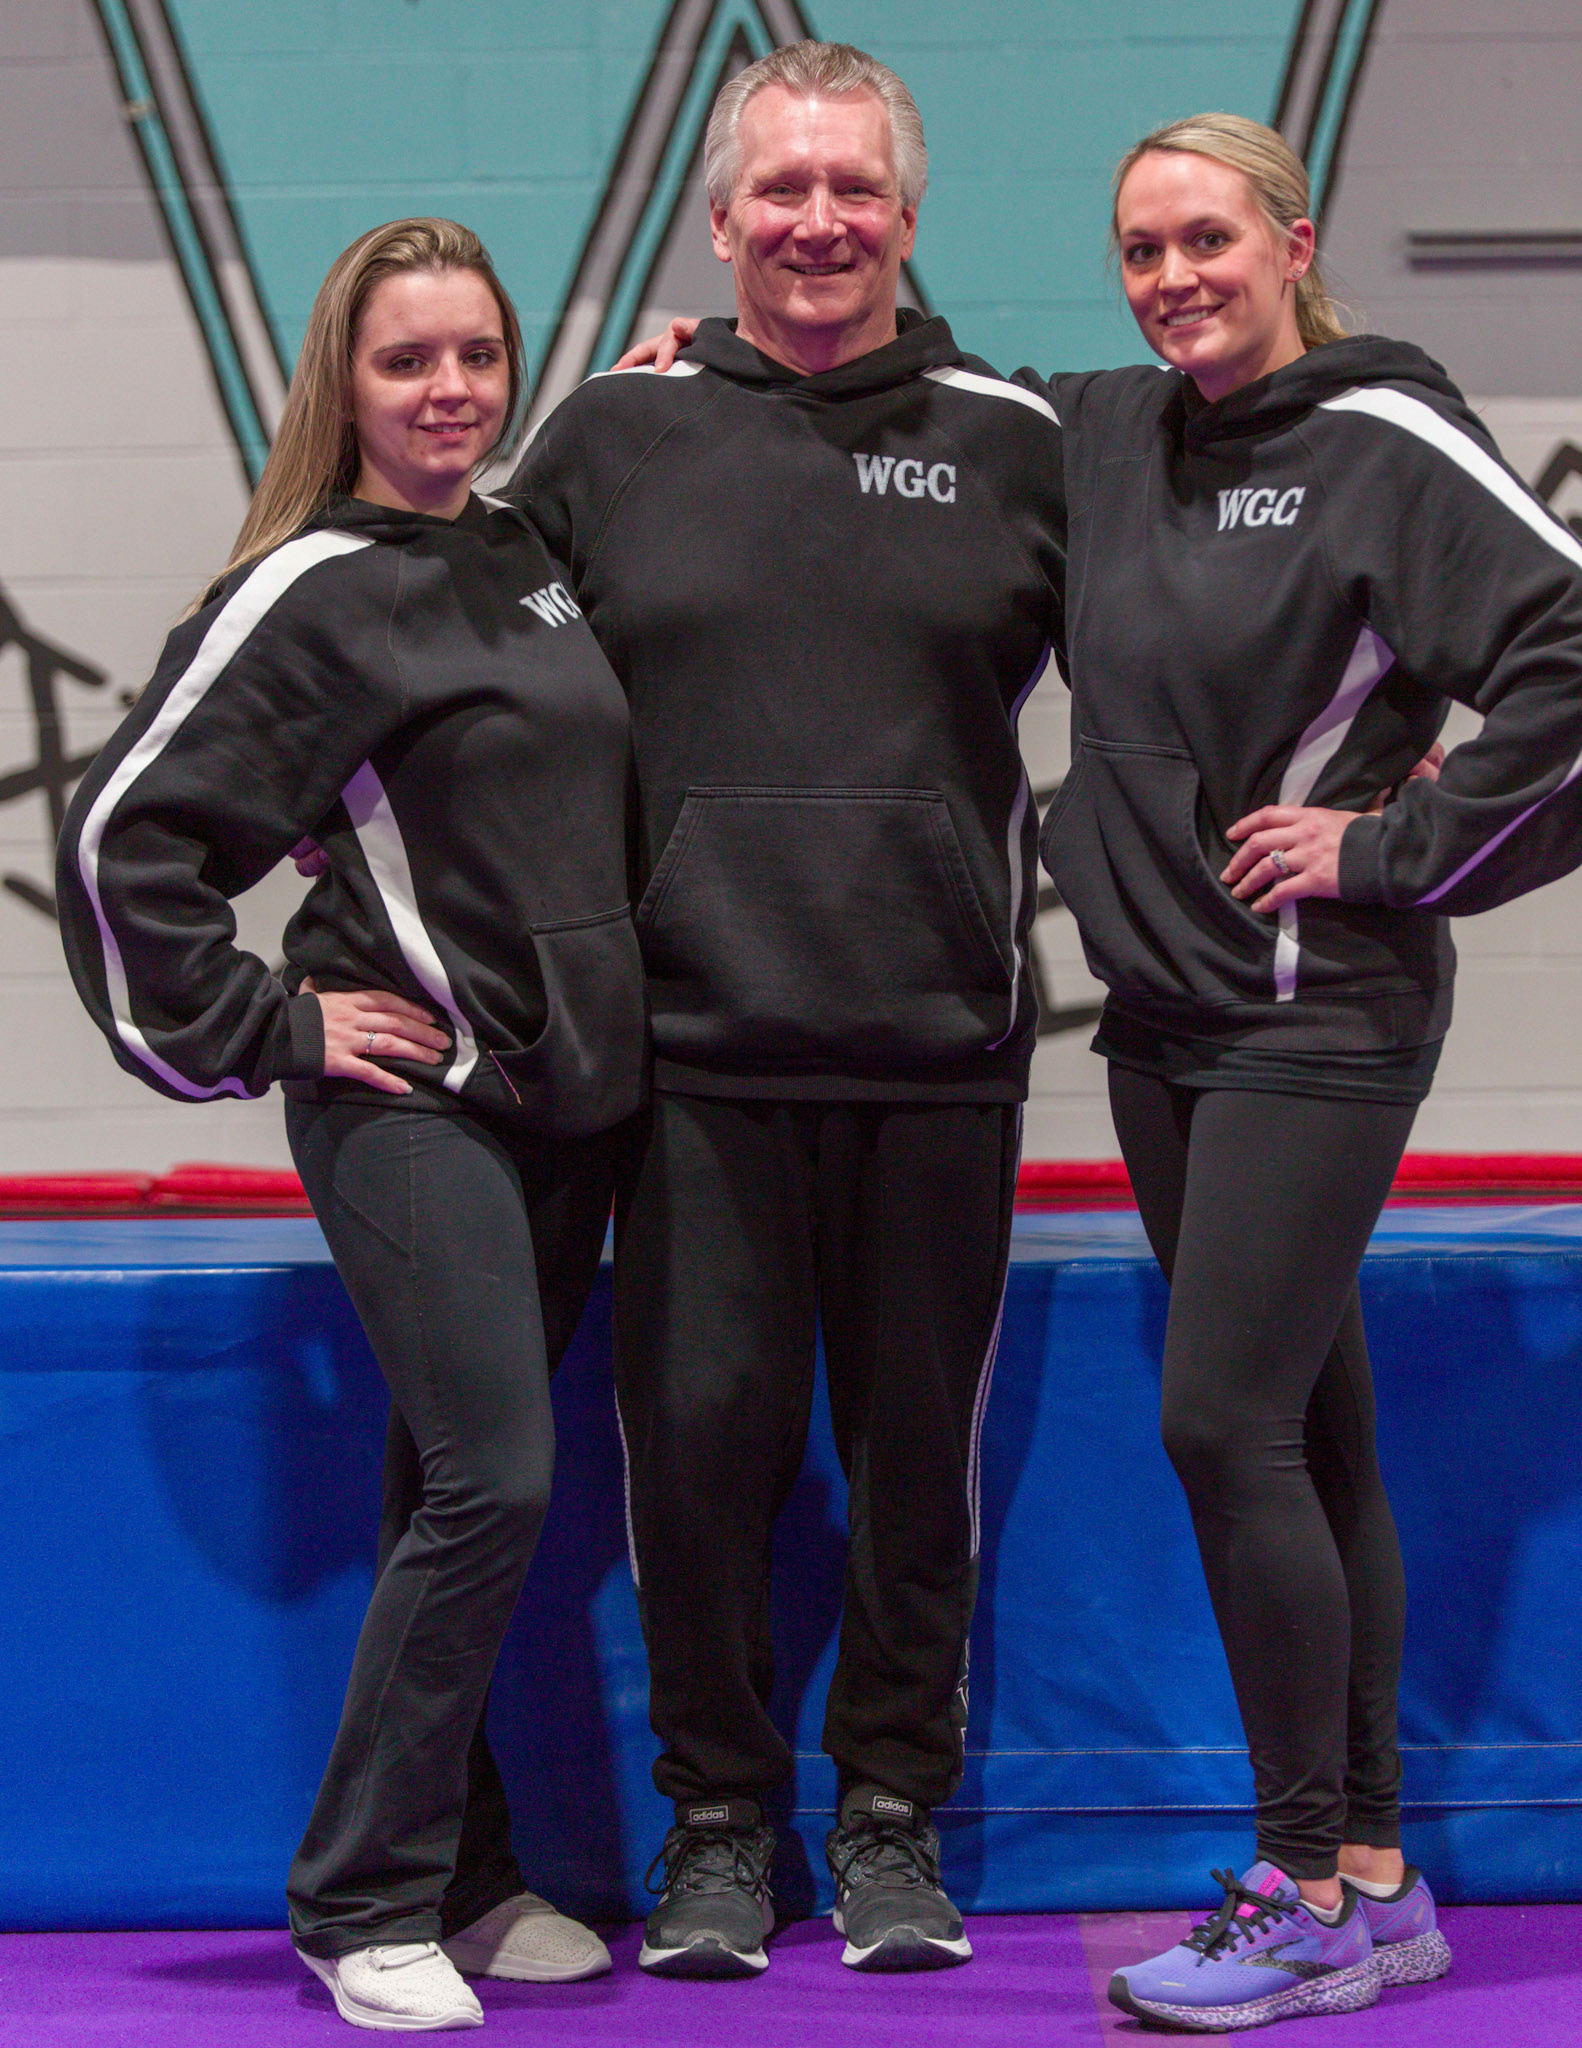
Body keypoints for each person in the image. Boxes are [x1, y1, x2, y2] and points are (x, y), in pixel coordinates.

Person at [502, 40, 1063, 1978]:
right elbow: (458, 676)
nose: (818, 221)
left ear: (907, 214)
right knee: (700, 1461)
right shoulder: (605, 437)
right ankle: (719, 1827)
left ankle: (892, 1819)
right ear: (719, 216)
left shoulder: (1020, 441)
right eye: (783, 188)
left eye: (855, 188)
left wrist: (1366, 799)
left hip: (937, 1050)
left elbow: (1199, 640)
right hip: (685, 1061)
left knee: (914, 1476)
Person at [56, 218, 646, 2033]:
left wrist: (652, 397)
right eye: (408, 361)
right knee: (497, 1478)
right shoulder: (313, 588)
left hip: (558, 1106)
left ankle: (464, 1874)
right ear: (345, 380)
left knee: (446, 1481)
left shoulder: (518, 552)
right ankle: (359, 1901)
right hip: (414, 1107)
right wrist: (267, 1024)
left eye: (478, 355)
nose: (449, 390)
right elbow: (120, 836)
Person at [1037, 117, 1582, 2030]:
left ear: (1291, 242)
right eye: (1138, 248)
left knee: (1219, 1427)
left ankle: (1297, 1893)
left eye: (1205, 238)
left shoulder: (1379, 438)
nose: (1170, 277)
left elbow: (1571, 645)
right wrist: (707, 363)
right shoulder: (1117, 431)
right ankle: (1373, 1877)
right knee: (1304, 1434)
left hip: (1312, 1012)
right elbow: (917, 404)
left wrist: (1395, 845)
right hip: (1167, 1016)